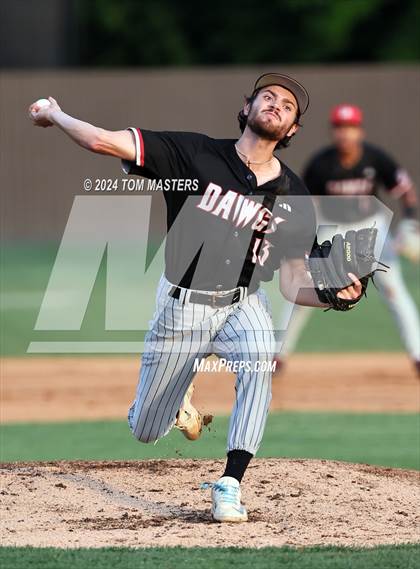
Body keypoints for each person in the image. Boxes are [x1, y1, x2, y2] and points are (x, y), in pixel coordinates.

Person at [29, 74, 365, 523]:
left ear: (292, 131)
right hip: (181, 307)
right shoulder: (195, 154)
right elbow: (103, 142)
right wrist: (55, 113)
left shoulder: (295, 196)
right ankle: (178, 400)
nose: (276, 105)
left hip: (244, 304)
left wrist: (332, 297)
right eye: (268, 97)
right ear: (246, 108)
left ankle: (230, 484)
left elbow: (290, 283)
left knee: (258, 370)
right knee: (146, 430)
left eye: (287, 106)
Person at [273, 104, 420, 376]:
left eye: (350, 128)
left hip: (371, 229)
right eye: (340, 128)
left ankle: (418, 355)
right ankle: (277, 355)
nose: (345, 134)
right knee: (306, 291)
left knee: (393, 290)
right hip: (332, 230)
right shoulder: (321, 164)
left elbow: (404, 189)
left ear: (359, 131)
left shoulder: (375, 159)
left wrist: (411, 220)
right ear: (333, 132)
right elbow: (307, 204)